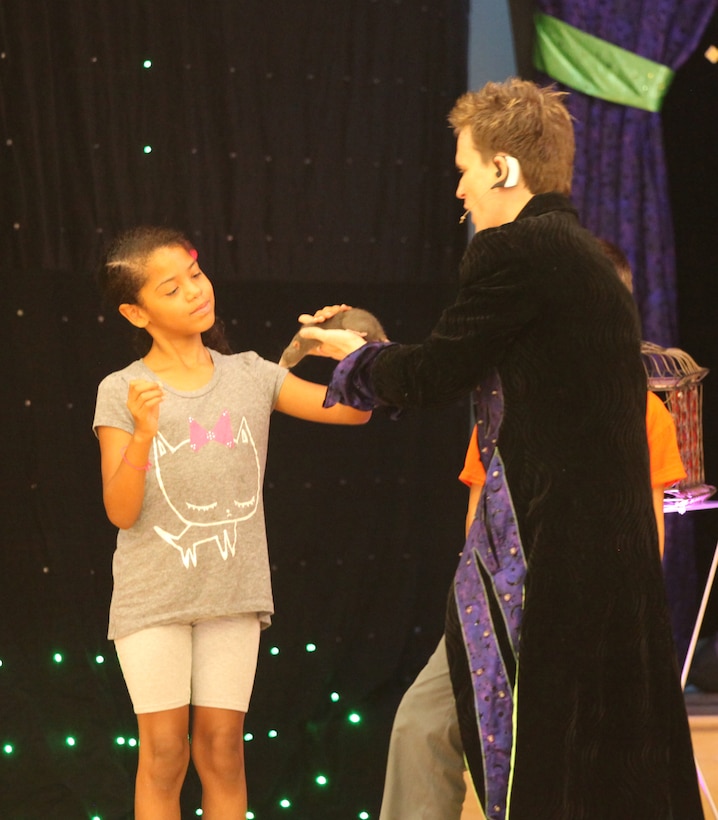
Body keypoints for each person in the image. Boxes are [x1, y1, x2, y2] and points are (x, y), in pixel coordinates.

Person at [298, 78, 702, 819]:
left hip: (544, 560)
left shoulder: (514, 251)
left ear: (503, 168)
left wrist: (353, 356)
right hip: (599, 562)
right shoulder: (586, 261)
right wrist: (375, 352)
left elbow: (434, 375)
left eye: (464, 168)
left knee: (541, 751)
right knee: (603, 758)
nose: (459, 188)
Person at [92, 226, 369, 820]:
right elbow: (121, 510)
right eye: (171, 288)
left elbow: (355, 412)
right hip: (152, 598)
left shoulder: (251, 374)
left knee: (222, 753)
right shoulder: (121, 389)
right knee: (163, 755)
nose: (195, 291)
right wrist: (143, 433)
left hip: (232, 595)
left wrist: (353, 347)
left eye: (195, 273)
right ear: (135, 312)